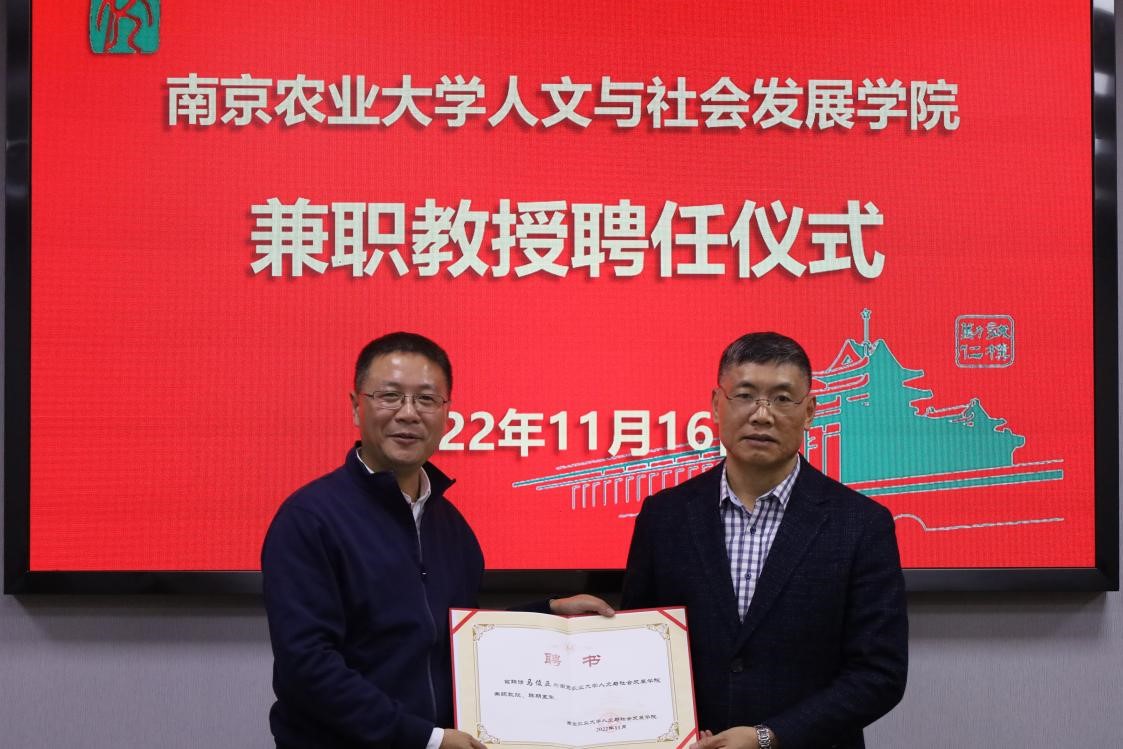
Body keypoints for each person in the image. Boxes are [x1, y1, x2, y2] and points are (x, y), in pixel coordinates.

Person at [262, 332, 612, 749]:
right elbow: (307, 667)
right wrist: (425, 738)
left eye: (427, 399)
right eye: (390, 396)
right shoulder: (310, 518)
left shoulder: (451, 526)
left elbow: (455, 634)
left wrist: (548, 613)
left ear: (447, 414)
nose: (409, 413)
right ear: (356, 406)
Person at [621, 332, 907, 749]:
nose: (761, 414)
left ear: (810, 411)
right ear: (716, 405)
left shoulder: (862, 524)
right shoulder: (664, 517)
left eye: (782, 398)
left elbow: (879, 673)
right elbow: (638, 648)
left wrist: (769, 736)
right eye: (745, 395)